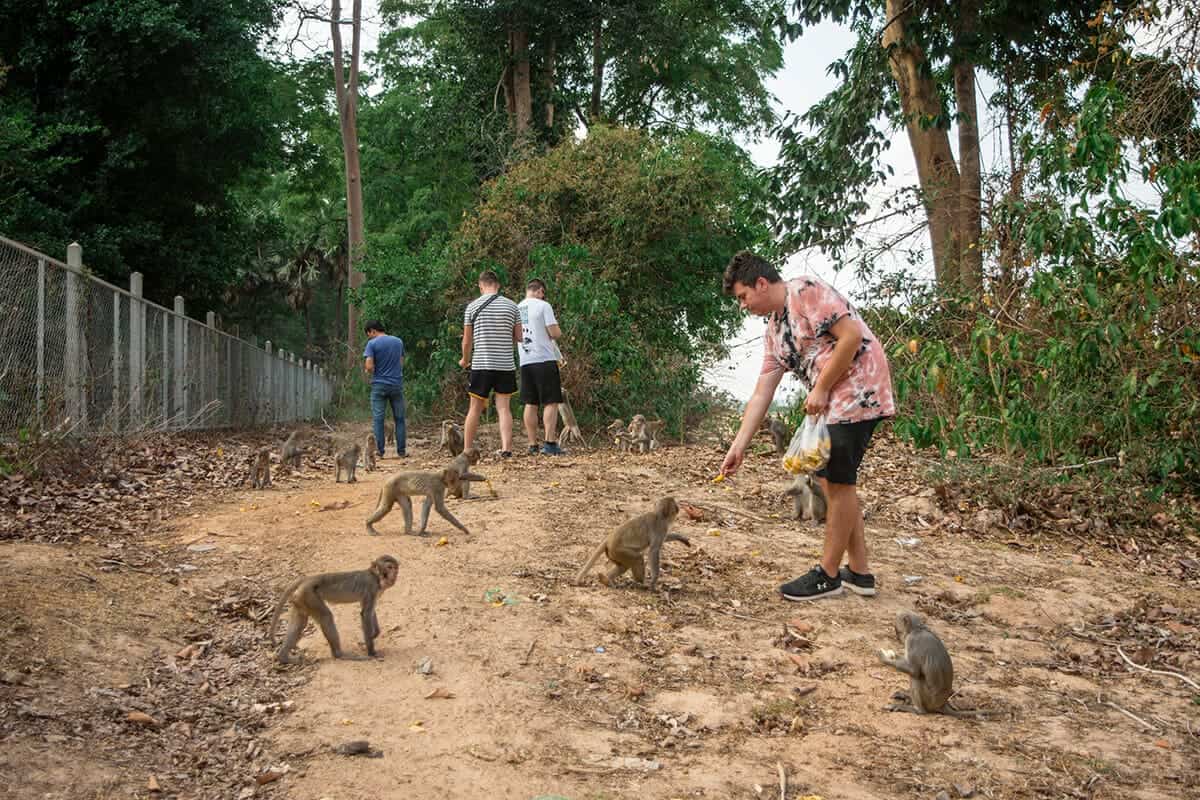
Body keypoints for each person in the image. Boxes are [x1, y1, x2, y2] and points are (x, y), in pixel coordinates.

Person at [718, 251, 895, 601]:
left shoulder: (804, 291)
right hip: (831, 400)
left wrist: (822, 386)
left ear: (762, 283)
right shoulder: (774, 330)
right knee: (834, 479)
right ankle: (859, 573)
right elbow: (761, 392)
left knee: (836, 480)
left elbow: (851, 336)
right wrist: (739, 445)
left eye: (743, 296)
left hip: (860, 389)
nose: (743, 305)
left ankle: (828, 575)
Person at [459, 270, 522, 457]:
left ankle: (466, 450)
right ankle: (506, 449)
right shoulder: (512, 307)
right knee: (504, 408)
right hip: (505, 365)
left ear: (480, 285)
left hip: (482, 364)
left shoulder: (472, 307)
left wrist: (465, 359)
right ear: (498, 285)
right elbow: (519, 337)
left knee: (475, 408)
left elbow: (467, 340)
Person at [517, 278, 566, 455]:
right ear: (539, 291)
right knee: (550, 401)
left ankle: (532, 444)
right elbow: (554, 332)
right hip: (544, 358)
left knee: (530, 402)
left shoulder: (517, 308)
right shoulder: (543, 306)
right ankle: (550, 443)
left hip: (525, 359)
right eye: (543, 293)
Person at [363, 320, 407, 458]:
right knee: (399, 419)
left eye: (368, 334)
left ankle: (379, 452)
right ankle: (401, 451)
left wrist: (369, 370)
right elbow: (401, 362)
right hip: (396, 384)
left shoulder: (372, 344)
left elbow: (369, 366)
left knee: (378, 419)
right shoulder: (398, 341)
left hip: (379, 385)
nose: (369, 337)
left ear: (372, 331)